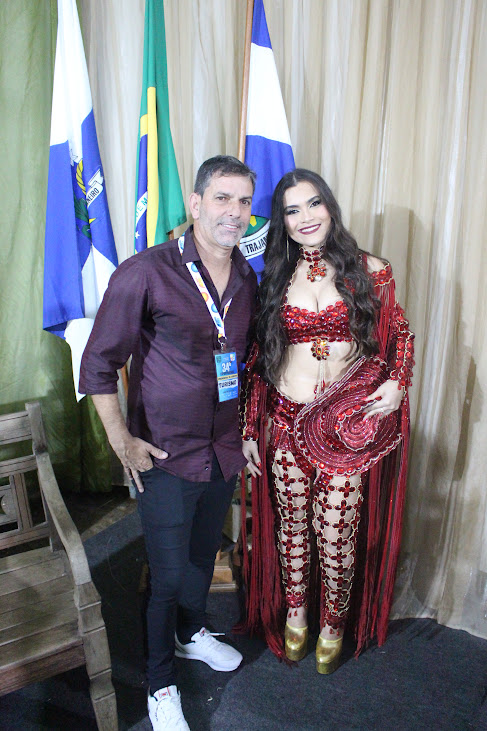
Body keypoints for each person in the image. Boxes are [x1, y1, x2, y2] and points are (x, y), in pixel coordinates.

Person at [79, 155, 257, 730]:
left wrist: (246, 432)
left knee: (204, 556)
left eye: (244, 201)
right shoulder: (145, 272)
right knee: (167, 575)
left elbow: (245, 362)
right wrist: (121, 440)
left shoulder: (247, 277)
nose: (234, 212)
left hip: (222, 451)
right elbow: (98, 364)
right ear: (197, 203)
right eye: (222, 198)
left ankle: (190, 633)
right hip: (164, 455)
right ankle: (160, 683)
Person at [240, 169, 414, 674]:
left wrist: (397, 381)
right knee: (292, 525)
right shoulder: (273, 278)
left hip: (344, 427)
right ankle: (296, 615)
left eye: (313, 204)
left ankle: (334, 624)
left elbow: (399, 333)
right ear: (283, 221)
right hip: (286, 419)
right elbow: (258, 359)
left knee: (336, 532)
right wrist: (250, 427)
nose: (306, 217)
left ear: (330, 207)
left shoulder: (372, 270)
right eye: (292, 210)